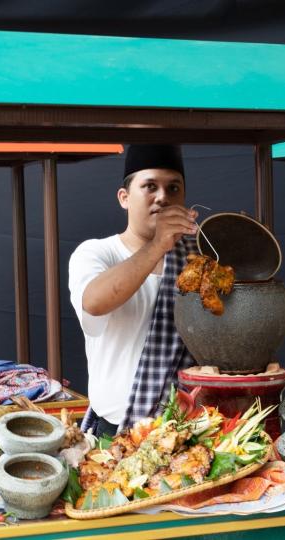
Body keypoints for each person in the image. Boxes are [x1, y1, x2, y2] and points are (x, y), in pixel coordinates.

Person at [68, 144, 198, 437]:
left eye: (173, 188)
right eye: (150, 186)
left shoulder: (198, 258)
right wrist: (157, 246)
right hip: (117, 433)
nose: (163, 197)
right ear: (124, 198)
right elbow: (94, 302)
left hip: (190, 429)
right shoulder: (97, 253)